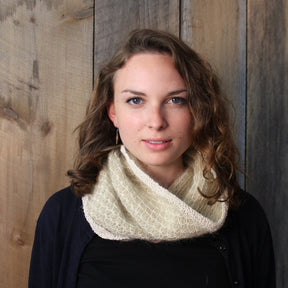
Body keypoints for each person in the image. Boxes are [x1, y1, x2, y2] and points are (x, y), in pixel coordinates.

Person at [29, 29, 275, 288]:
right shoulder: (62, 215)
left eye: (175, 100)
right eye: (136, 100)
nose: (156, 122)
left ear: (198, 110)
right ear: (112, 112)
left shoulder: (244, 217)